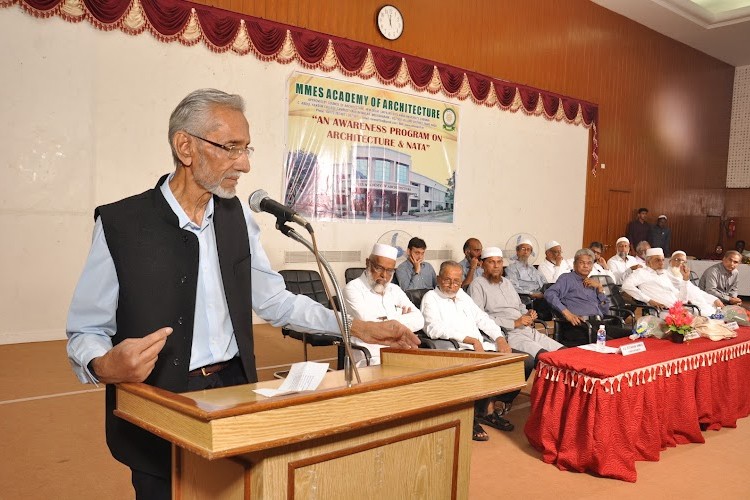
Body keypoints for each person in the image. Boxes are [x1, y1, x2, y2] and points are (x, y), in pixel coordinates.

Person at [65, 89, 419, 500]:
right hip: (160, 402)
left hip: (236, 394)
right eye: (231, 148)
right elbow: (86, 329)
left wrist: (354, 327)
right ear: (186, 147)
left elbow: (276, 301)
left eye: (247, 148)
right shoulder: (120, 223)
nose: (246, 164)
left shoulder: (238, 220)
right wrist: (103, 364)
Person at [421, 260, 527, 438]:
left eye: (456, 281)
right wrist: (469, 340)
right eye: (447, 280)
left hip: (482, 346)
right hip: (456, 348)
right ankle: (474, 417)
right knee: (484, 369)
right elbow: (432, 328)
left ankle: (489, 406)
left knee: (524, 363)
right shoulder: (431, 297)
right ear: (439, 279)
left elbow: (482, 319)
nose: (452, 285)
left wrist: (499, 337)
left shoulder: (462, 295)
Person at [468, 247, 563, 365]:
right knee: (545, 358)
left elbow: (519, 305)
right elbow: (479, 318)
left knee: (564, 353)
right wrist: (513, 323)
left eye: (499, 262)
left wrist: (527, 314)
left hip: (526, 329)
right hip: (507, 334)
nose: (496, 266)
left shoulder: (506, 282)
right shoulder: (477, 285)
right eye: (491, 262)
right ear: (482, 264)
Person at [344, 243, 425, 365]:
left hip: (399, 351)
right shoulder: (353, 289)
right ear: (368, 263)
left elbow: (419, 320)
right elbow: (371, 326)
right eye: (379, 268)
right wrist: (400, 316)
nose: (384, 275)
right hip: (369, 356)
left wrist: (386, 321)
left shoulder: (395, 289)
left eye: (390, 270)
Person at [544, 249, 632, 346]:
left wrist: (600, 288)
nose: (586, 266)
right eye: (582, 263)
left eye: (589, 263)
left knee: (631, 336)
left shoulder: (592, 283)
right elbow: (549, 294)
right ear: (574, 264)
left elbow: (604, 311)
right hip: (579, 326)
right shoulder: (567, 278)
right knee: (613, 345)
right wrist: (567, 314)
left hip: (598, 324)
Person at [622, 248, 723, 316]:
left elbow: (682, 299)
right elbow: (626, 286)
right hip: (664, 312)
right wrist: (649, 300)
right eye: (657, 260)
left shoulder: (664, 274)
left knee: (710, 313)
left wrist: (685, 279)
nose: (662, 263)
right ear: (648, 262)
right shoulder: (642, 273)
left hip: (682, 309)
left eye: (662, 260)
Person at [505, 239, 553, 319]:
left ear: (531, 252)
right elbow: (513, 287)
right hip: (526, 299)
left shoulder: (533, 269)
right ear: (517, 251)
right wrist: (531, 293)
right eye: (523, 249)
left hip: (541, 296)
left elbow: (545, 283)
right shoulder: (511, 268)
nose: (525, 252)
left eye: (528, 250)